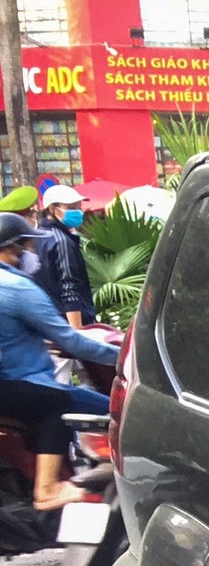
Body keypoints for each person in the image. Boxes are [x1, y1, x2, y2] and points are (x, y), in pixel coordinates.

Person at [0, 210, 119, 510]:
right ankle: (48, 490)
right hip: (15, 383)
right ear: (13, 249)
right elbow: (71, 339)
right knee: (71, 405)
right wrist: (126, 357)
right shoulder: (17, 289)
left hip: (12, 383)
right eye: (28, 246)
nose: (32, 253)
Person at [32, 183, 96, 330]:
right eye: (71, 207)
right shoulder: (61, 242)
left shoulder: (37, 237)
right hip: (68, 323)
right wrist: (77, 331)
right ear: (53, 209)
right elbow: (69, 286)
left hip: (47, 322)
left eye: (78, 207)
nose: (78, 212)